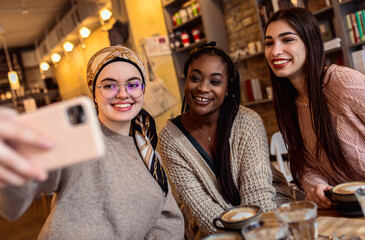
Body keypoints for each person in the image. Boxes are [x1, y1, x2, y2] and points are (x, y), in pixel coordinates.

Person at [0, 46, 184, 239]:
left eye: (133, 84)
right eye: (109, 85)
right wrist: (10, 161)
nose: (123, 93)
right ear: (94, 93)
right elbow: (12, 203)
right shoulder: (78, 139)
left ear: (143, 88)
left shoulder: (147, 147)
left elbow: (166, 216)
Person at [158, 42, 293, 238]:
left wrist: (257, 236)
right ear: (185, 80)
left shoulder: (247, 122)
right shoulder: (171, 138)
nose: (203, 88)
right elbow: (202, 207)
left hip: (270, 216)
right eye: (195, 78)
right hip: (215, 229)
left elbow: (259, 196)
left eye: (215, 81)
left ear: (228, 87)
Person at [264, 7, 365, 209]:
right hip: (348, 209)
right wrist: (318, 187)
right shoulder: (289, 103)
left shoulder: (342, 82)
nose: (275, 51)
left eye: (287, 40)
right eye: (269, 43)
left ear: (310, 43)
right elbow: (305, 167)